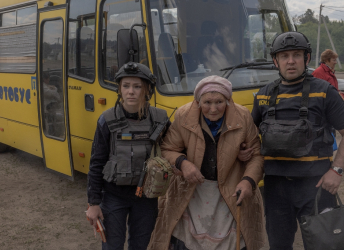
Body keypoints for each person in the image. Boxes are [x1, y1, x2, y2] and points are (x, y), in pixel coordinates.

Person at [147, 75, 265, 250]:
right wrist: (183, 163)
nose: (213, 109)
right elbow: (167, 149)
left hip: (231, 189)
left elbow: (256, 155)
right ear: (198, 101)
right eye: (207, 102)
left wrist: (248, 181)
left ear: (228, 100)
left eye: (219, 102)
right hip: (192, 191)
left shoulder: (242, 116)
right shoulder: (184, 115)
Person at [251, 31, 344, 250]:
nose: (290, 61)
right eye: (284, 56)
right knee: (278, 245)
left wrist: (337, 171)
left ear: (307, 58)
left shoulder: (325, 92)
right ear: (276, 61)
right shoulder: (263, 95)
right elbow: (248, 137)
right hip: (275, 188)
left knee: (324, 245)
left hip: (317, 185)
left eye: (296, 55)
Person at [86, 62, 169, 250]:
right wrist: (94, 203)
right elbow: (96, 163)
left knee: (140, 246)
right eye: (126, 86)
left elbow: (175, 148)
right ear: (120, 89)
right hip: (113, 196)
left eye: (137, 86)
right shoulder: (107, 120)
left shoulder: (160, 119)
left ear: (147, 90)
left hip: (147, 198)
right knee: (112, 246)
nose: (131, 91)